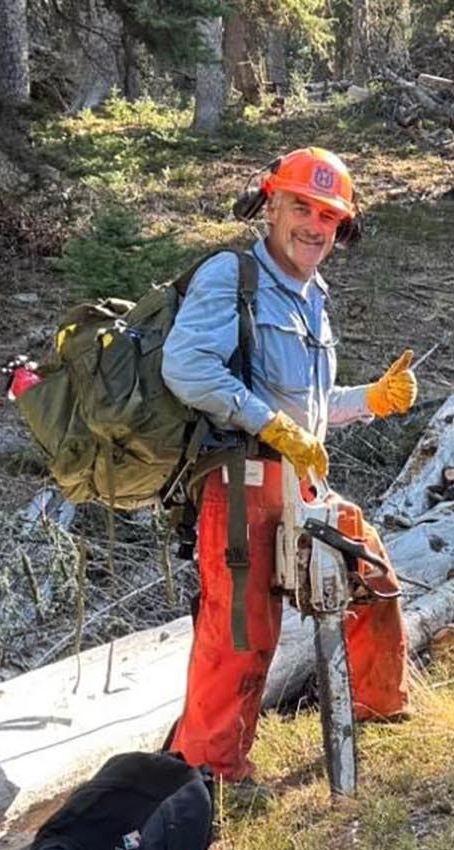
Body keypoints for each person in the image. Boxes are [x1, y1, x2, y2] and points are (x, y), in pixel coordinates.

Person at [162, 147, 419, 781]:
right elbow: (186, 367)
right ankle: (209, 776)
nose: (314, 225)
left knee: (370, 570)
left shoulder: (311, 296)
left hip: (300, 481)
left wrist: (371, 401)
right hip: (241, 481)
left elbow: (309, 404)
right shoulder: (232, 275)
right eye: (301, 206)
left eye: (328, 215)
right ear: (271, 205)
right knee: (241, 638)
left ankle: (376, 711)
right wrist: (267, 425)